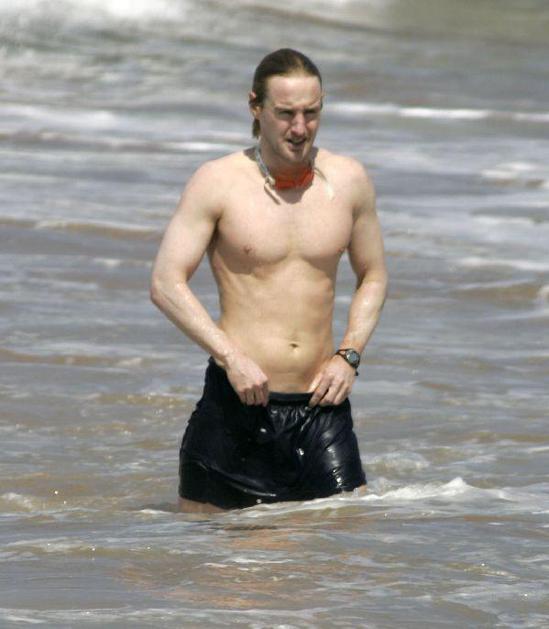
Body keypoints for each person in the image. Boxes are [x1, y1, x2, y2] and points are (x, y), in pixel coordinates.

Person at [150, 48, 387, 513]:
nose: (299, 128)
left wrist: (350, 355)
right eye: (285, 114)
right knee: (216, 552)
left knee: (346, 542)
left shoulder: (349, 180)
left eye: (311, 113)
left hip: (322, 410)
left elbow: (373, 275)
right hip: (236, 408)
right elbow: (165, 282)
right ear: (255, 107)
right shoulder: (217, 182)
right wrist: (231, 358)